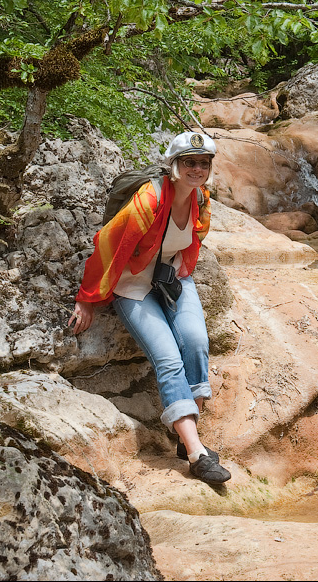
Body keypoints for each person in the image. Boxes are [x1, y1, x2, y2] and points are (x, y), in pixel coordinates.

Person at [68, 131, 231, 485]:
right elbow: (108, 245)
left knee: (196, 342)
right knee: (169, 359)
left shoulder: (201, 198)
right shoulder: (149, 198)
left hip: (171, 279)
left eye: (203, 163)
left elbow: (195, 238)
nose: (197, 169)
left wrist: (178, 272)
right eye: (189, 162)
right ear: (174, 164)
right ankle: (197, 454)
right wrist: (88, 298)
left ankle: (185, 438)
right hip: (132, 286)